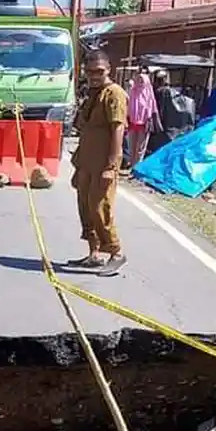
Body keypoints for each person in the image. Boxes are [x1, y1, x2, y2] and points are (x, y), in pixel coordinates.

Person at [68, 50, 128, 276]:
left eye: (99, 71)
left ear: (109, 70)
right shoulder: (92, 94)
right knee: (85, 208)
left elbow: (118, 129)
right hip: (86, 161)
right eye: (90, 71)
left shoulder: (114, 94)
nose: (94, 75)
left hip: (103, 163)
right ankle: (94, 254)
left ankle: (116, 252)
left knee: (99, 207)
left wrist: (111, 167)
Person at [127, 65, 160, 169]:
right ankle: (131, 164)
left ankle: (136, 167)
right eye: (138, 79)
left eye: (142, 80)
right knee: (131, 146)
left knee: (140, 148)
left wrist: (149, 119)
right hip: (132, 123)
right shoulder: (133, 92)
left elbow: (152, 108)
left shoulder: (149, 94)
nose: (140, 82)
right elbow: (128, 106)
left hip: (144, 124)